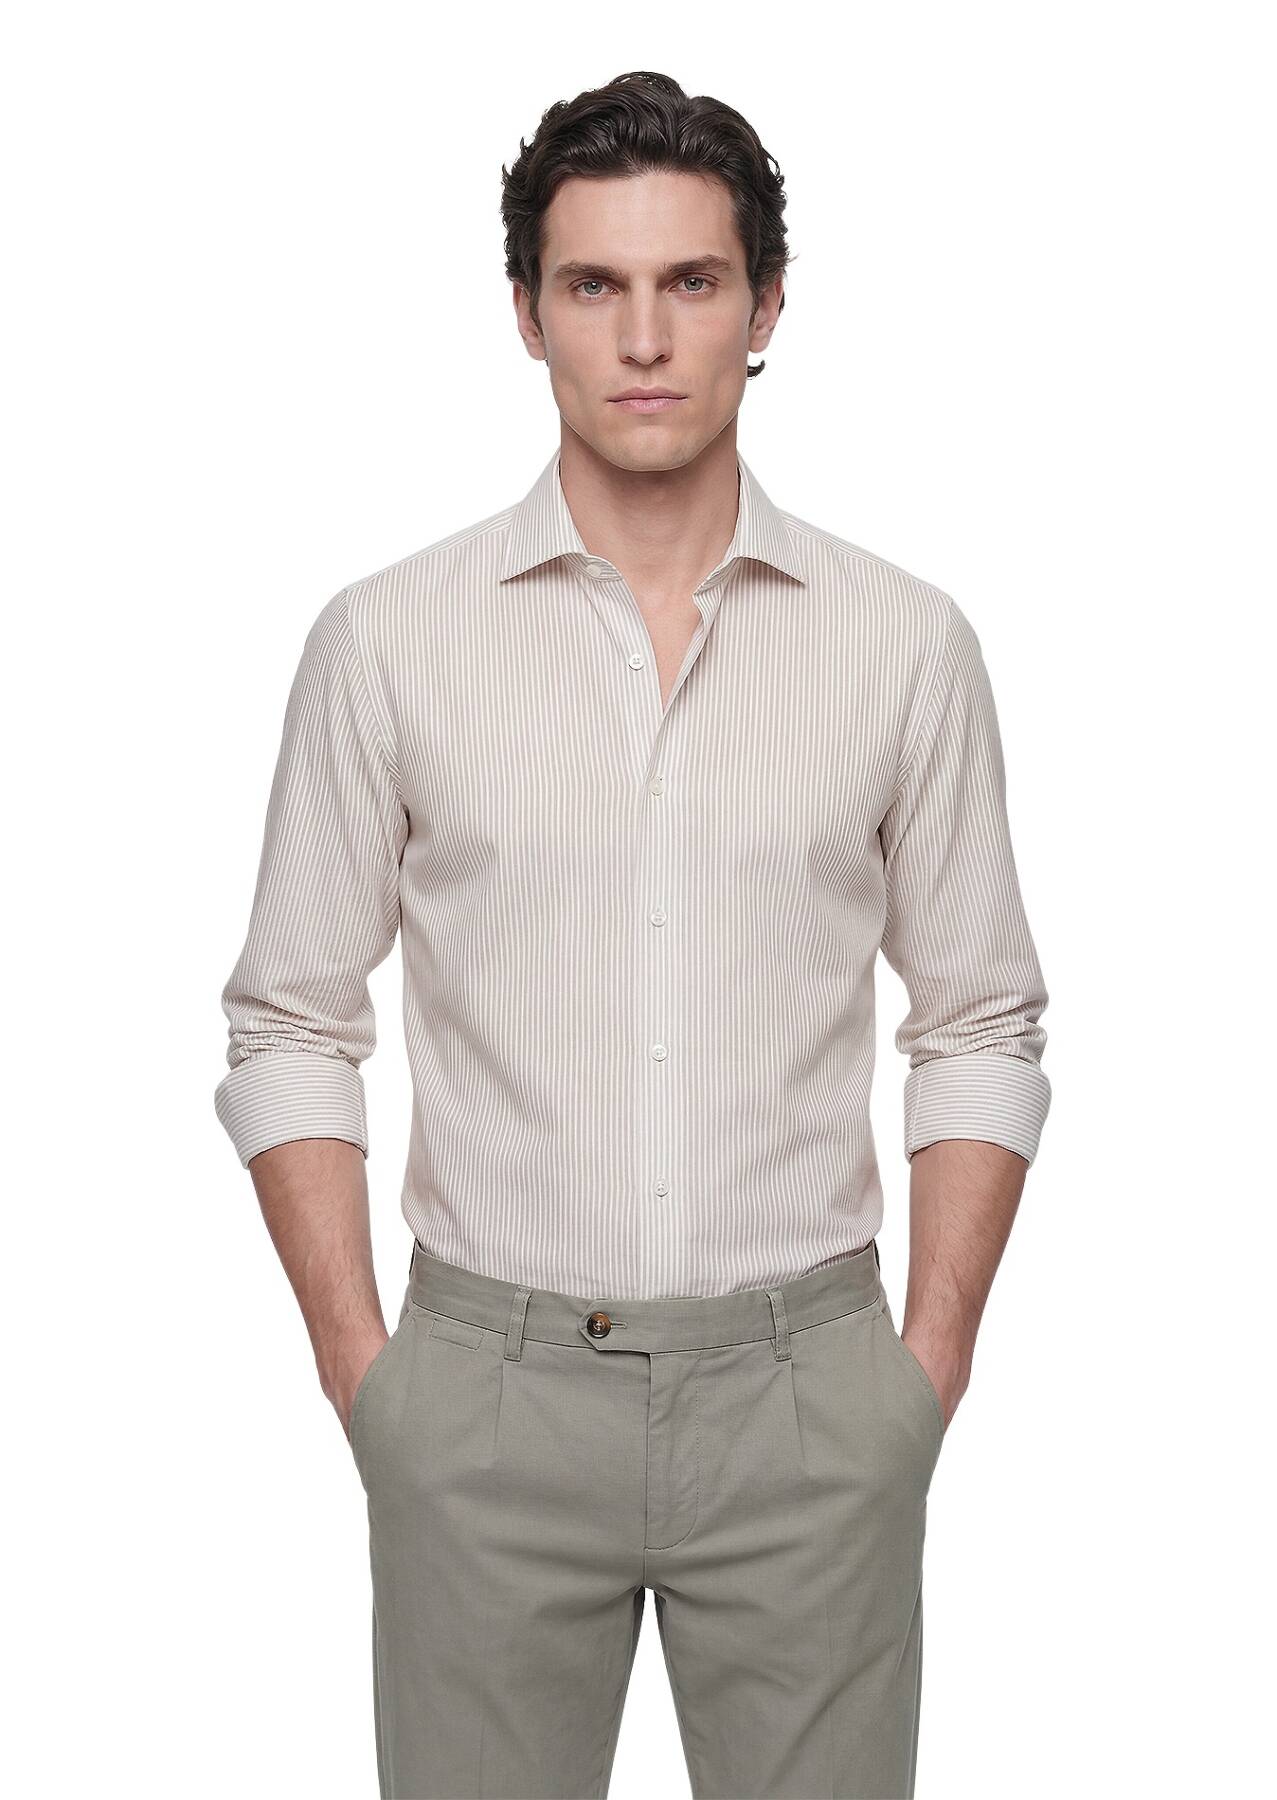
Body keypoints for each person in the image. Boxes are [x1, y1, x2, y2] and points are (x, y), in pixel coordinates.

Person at [213, 68, 1051, 1800]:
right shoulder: (388, 641)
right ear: (527, 314)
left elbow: (977, 1020)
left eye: (692, 282)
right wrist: (371, 1382)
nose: (645, 337)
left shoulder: (902, 644)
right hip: (483, 1402)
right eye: (594, 285)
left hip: (809, 1403)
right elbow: (291, 1019)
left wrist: (923, 1372)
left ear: (766, 308)